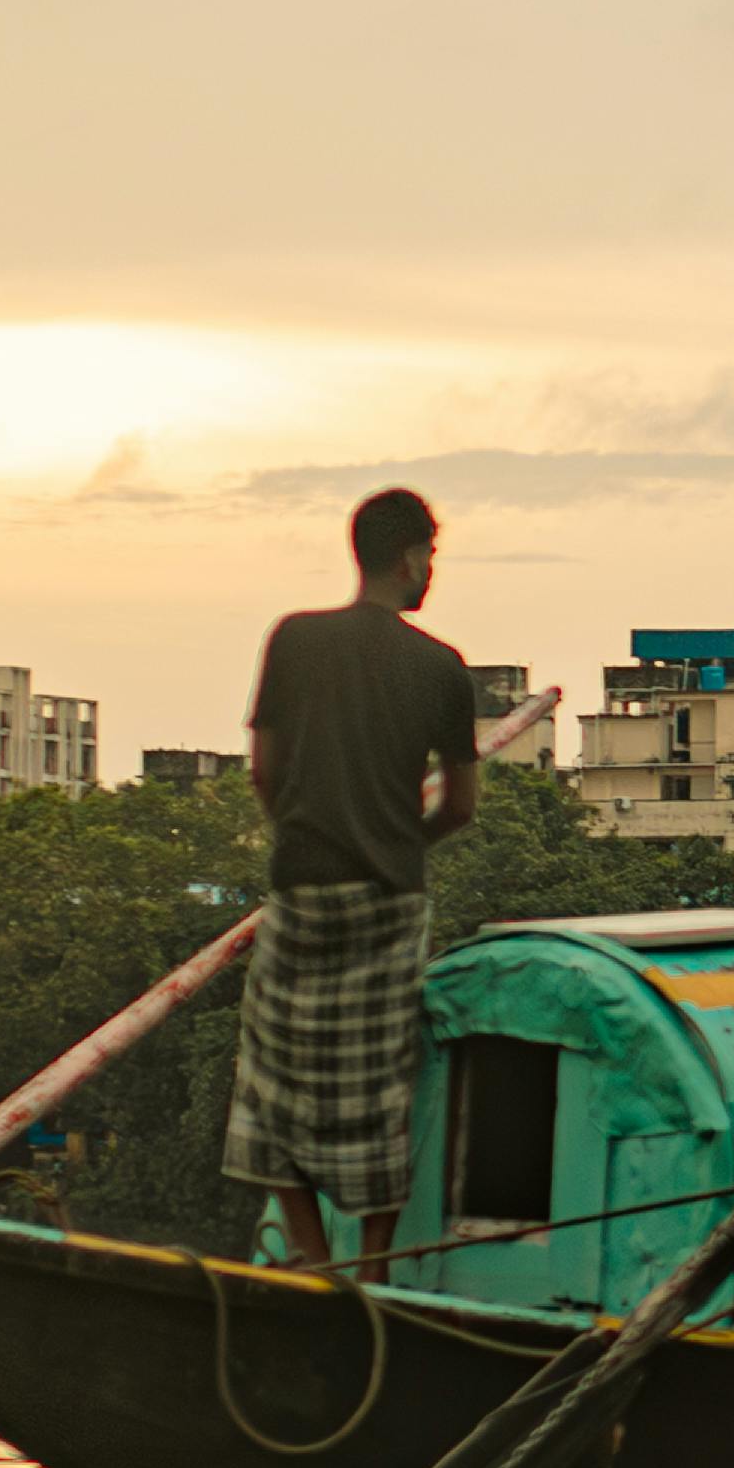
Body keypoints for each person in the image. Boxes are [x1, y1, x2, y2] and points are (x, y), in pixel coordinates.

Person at [231, 487, 482, 1268]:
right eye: (431, 556)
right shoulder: (442, 667)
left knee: (271, 1079)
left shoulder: (294, 641)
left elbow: (265, 774)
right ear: (410, 558)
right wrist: (399, 837)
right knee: (379, 1095)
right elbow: (461, 809)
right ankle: (370, 1266)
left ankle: (309, 1254)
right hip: (389, 898)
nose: (432, 570)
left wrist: (317, 828)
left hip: (304, 884)